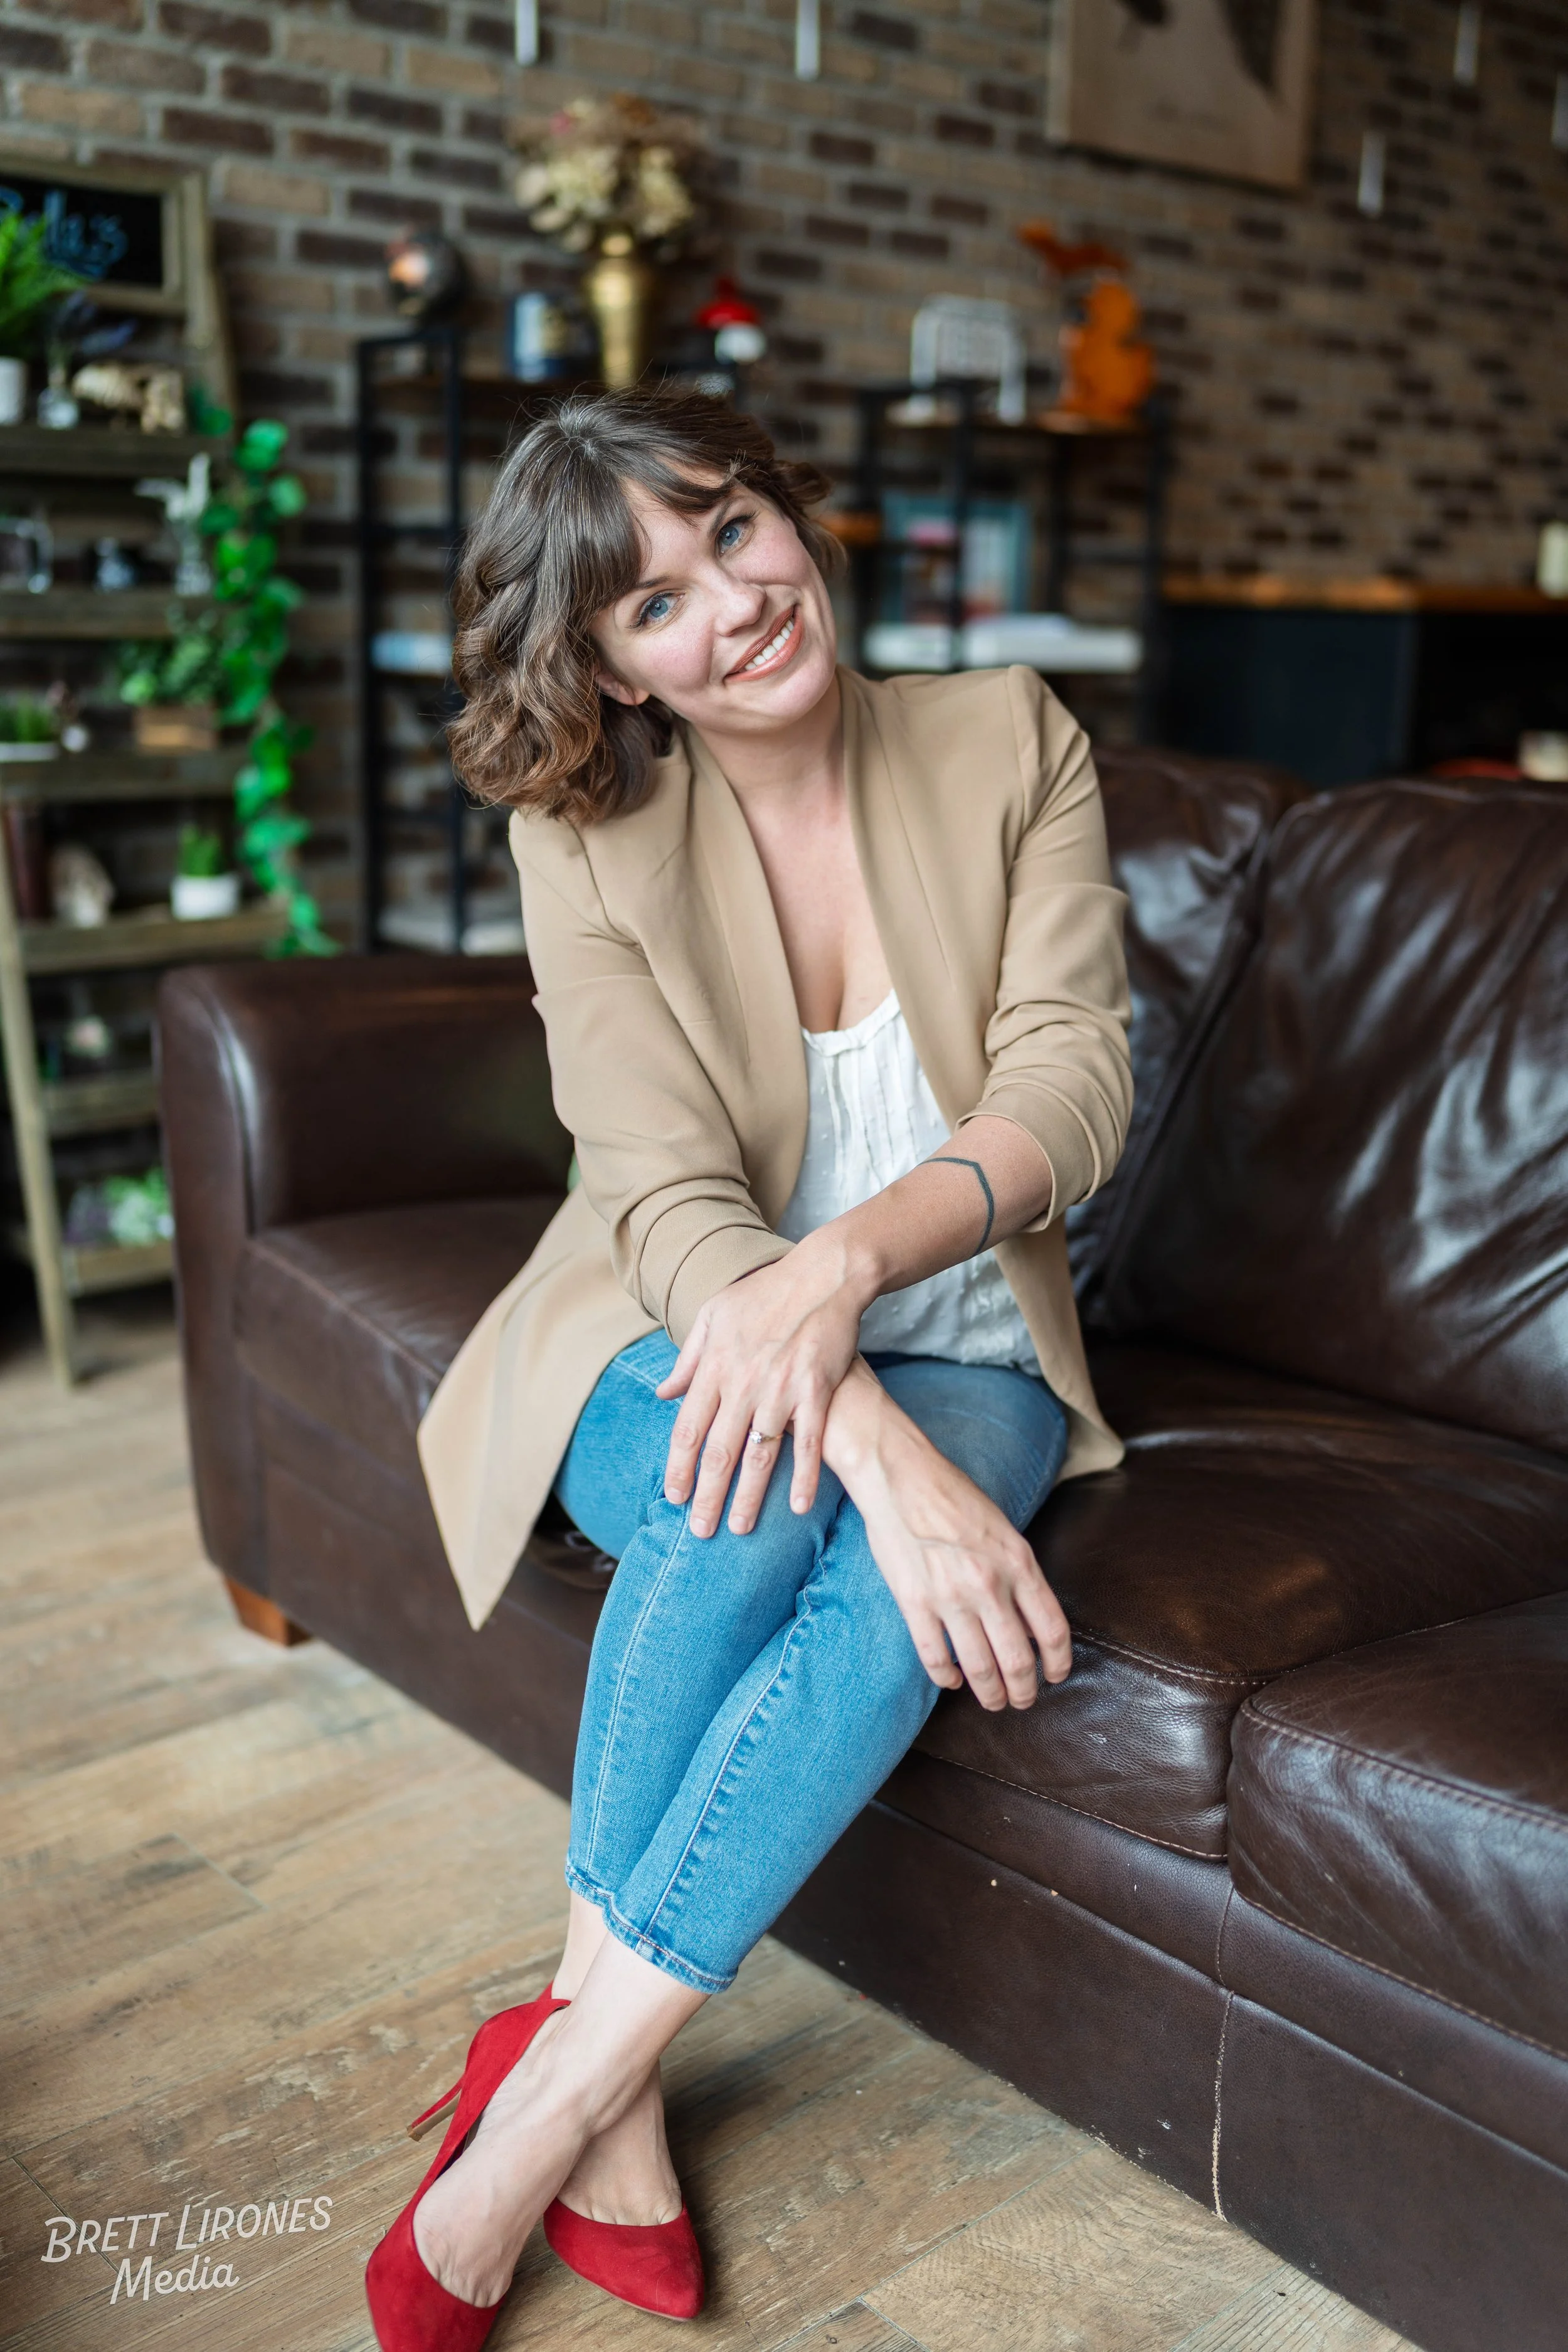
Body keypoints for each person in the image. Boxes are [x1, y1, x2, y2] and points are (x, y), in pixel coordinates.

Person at [368, 388, 1132, 2350]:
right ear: (609, 669)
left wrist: (850, 1282)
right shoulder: (587, 830)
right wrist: (843, 1409)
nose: (729, 600)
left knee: (817, 1513)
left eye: (731, 528)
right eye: (652, 601)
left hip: (966, 1342)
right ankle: (588, 2103)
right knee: (762, 1476)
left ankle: (549, 2093)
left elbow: (1074, 1075)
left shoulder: (1004, 736)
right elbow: (652, 1182)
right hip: (657, 1322)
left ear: (795, 511)